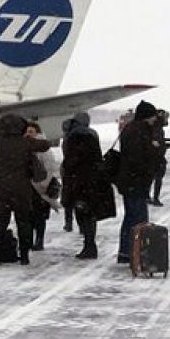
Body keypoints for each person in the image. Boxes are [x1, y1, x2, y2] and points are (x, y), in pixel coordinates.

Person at [0, 114, 48, 265]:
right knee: (23, 221)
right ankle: (24, 255)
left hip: (1, 186)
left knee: (2, 220)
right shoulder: (25, 143)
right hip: (21, 187)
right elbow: (45, 145)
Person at [61, 111, 114, 259]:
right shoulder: (92, 134)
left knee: (82, 211)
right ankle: (90, 243)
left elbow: (71, 160)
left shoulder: (73, 135)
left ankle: (89, 244)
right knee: (89, 213)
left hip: (78, 180)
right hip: (92, 180)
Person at [115, 100, 163, 264]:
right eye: (152, 117)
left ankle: (127, 252)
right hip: (135, 181)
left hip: (130, 180)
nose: (154, 120)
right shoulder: (139, 131)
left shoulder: (132, 129)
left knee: (131, 217)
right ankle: (135, 253)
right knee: (138, 218)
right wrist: (155, 148)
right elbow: (138, 158)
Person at [26, 121, 61, 251]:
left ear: (37, 133)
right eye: (27, 132)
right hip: (29, 186)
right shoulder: (25, 146)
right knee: (29, 216)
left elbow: (50, 168)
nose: (28, 134)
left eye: (31, 132)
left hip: (40, 186)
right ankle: (29, 240)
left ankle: (39, 240)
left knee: (39, 216)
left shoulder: (43, 149)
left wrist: (43, 185)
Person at [148, 109, 170, 206]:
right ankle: (155, 198)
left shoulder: (154, 127)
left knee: (151, 177)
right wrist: (165, 145)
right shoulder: (157, 128)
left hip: (153, 157)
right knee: (157, 178)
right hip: (157, 157)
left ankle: (149, 197)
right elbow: (156, 142)